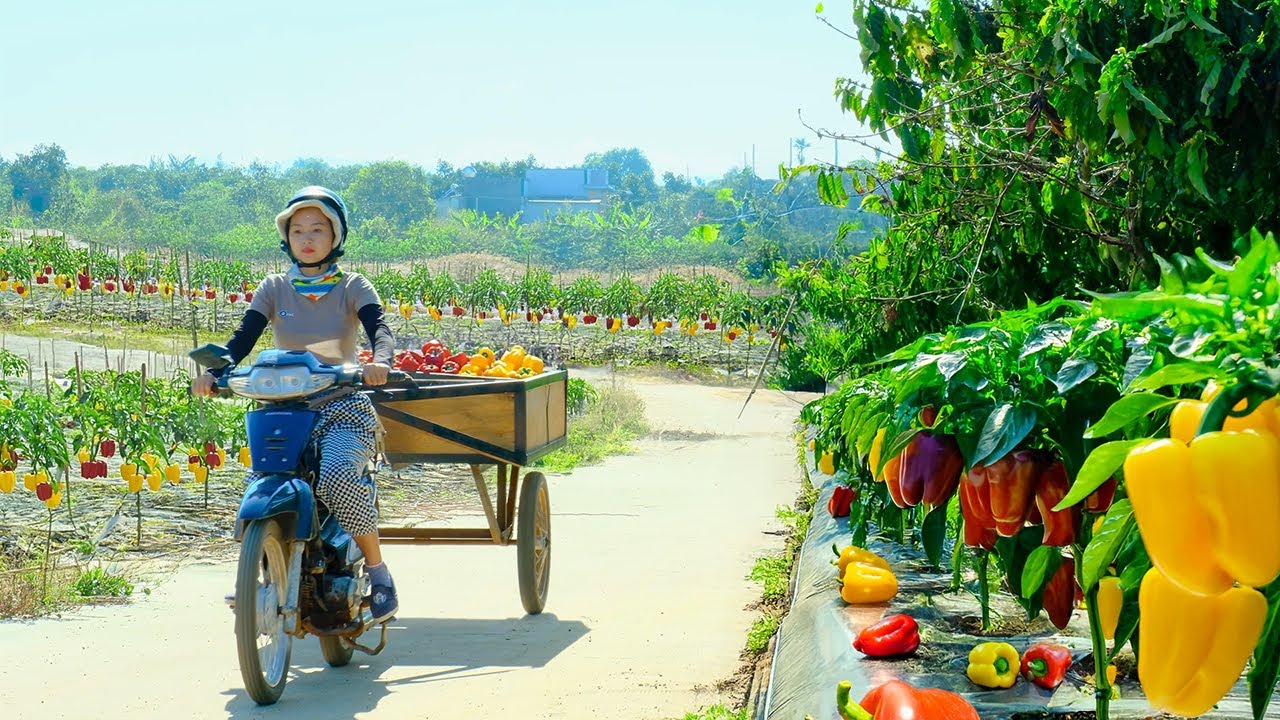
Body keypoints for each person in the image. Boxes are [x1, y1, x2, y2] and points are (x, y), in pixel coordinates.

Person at [191, 186, 399, 622]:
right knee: (260, 479)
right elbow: (241, 340)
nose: (307, 238)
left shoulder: (352, 285)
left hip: (341, 404)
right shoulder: (274, 288)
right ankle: (259, 572)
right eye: (297, 229)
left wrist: (379, 362)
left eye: (317, 229)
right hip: (283, 408)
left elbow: (380, 329)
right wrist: (215, 372)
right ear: (286, 238)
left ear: (335, 236)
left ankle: (378, 573)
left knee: (339, 475)